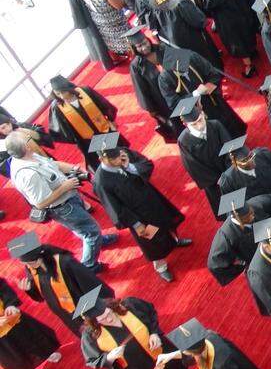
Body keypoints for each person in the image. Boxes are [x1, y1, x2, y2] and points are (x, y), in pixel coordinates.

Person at [6, 133, 117, 271]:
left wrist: (74, 169)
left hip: (68, 199)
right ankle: (89, 266)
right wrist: (65, 186)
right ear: (26, 146)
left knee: (84, 229)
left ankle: (98, 240)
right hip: (63, 208)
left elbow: (52, 164)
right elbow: (40, 203)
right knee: (90, 231)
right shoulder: (28, 175)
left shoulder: (28, 156)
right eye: (27, 139)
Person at [90, 133, 191, 281]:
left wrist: (130, 167)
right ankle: (161, 266)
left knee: (167, 222)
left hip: (152, 200)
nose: (118, 160)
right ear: (102, 159)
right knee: (152, 242)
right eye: (114, 159)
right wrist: (136, 224)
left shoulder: (124, 154)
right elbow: (116, 209)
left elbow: (147, 164)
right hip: (139, 217)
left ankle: (175, 241)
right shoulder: (101, 182)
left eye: (119, 156)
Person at [144, 0, 223, 69]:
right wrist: (191, 3)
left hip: (173, 43)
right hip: (192, 41)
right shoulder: (179, 1)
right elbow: (201, 21)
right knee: (205, 64)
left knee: (192, 69)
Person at [198, 0, 259, 77]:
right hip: (241, 13)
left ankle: (249, 66)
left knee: (238, 43)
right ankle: (253, 51)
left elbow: (208, 4)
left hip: (229, 22)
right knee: (246, 36)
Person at [46, 75, 123, 170]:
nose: (62, 96)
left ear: (69, 88)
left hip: (104, 129)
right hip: (87, 140)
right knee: (104, 163)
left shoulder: (85, 91)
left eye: (63, 92)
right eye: (58, 94)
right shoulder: (57, 107)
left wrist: (111, 119)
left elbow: (103, 104)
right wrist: (75, 139)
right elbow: (58, 130)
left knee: (117, 155)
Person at [173, 97, 231, 218]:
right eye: (194, 124)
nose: (199, 126)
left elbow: (229, 147)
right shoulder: (184, 141)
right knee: (228, 212)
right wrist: (219, 179)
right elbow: (194, 167)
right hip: (214, 183)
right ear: (185, 124)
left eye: (200, 120)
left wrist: (230, 170)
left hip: (230, 172)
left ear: (203, 114)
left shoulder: (215, 125)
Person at [207, 189, 271, 287]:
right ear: (237, 218)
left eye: (251, 211)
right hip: (258, 265)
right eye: (248, 215)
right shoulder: (227, 235)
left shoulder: (256, 205)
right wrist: (241, 268)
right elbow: (214, 264)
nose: (253, 215)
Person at [0, 278, 60, 369]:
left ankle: (44, 353)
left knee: (31, 336)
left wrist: (10, 303)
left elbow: (2, 286)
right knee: (14, 353)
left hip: (10, 315)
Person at [217, 135, 271, 214]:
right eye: (244, 160)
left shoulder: (263, 154)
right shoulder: (228, 181)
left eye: (251, 156)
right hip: (261, 214)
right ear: (235, 163)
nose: (251, 161)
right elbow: (235, 209)